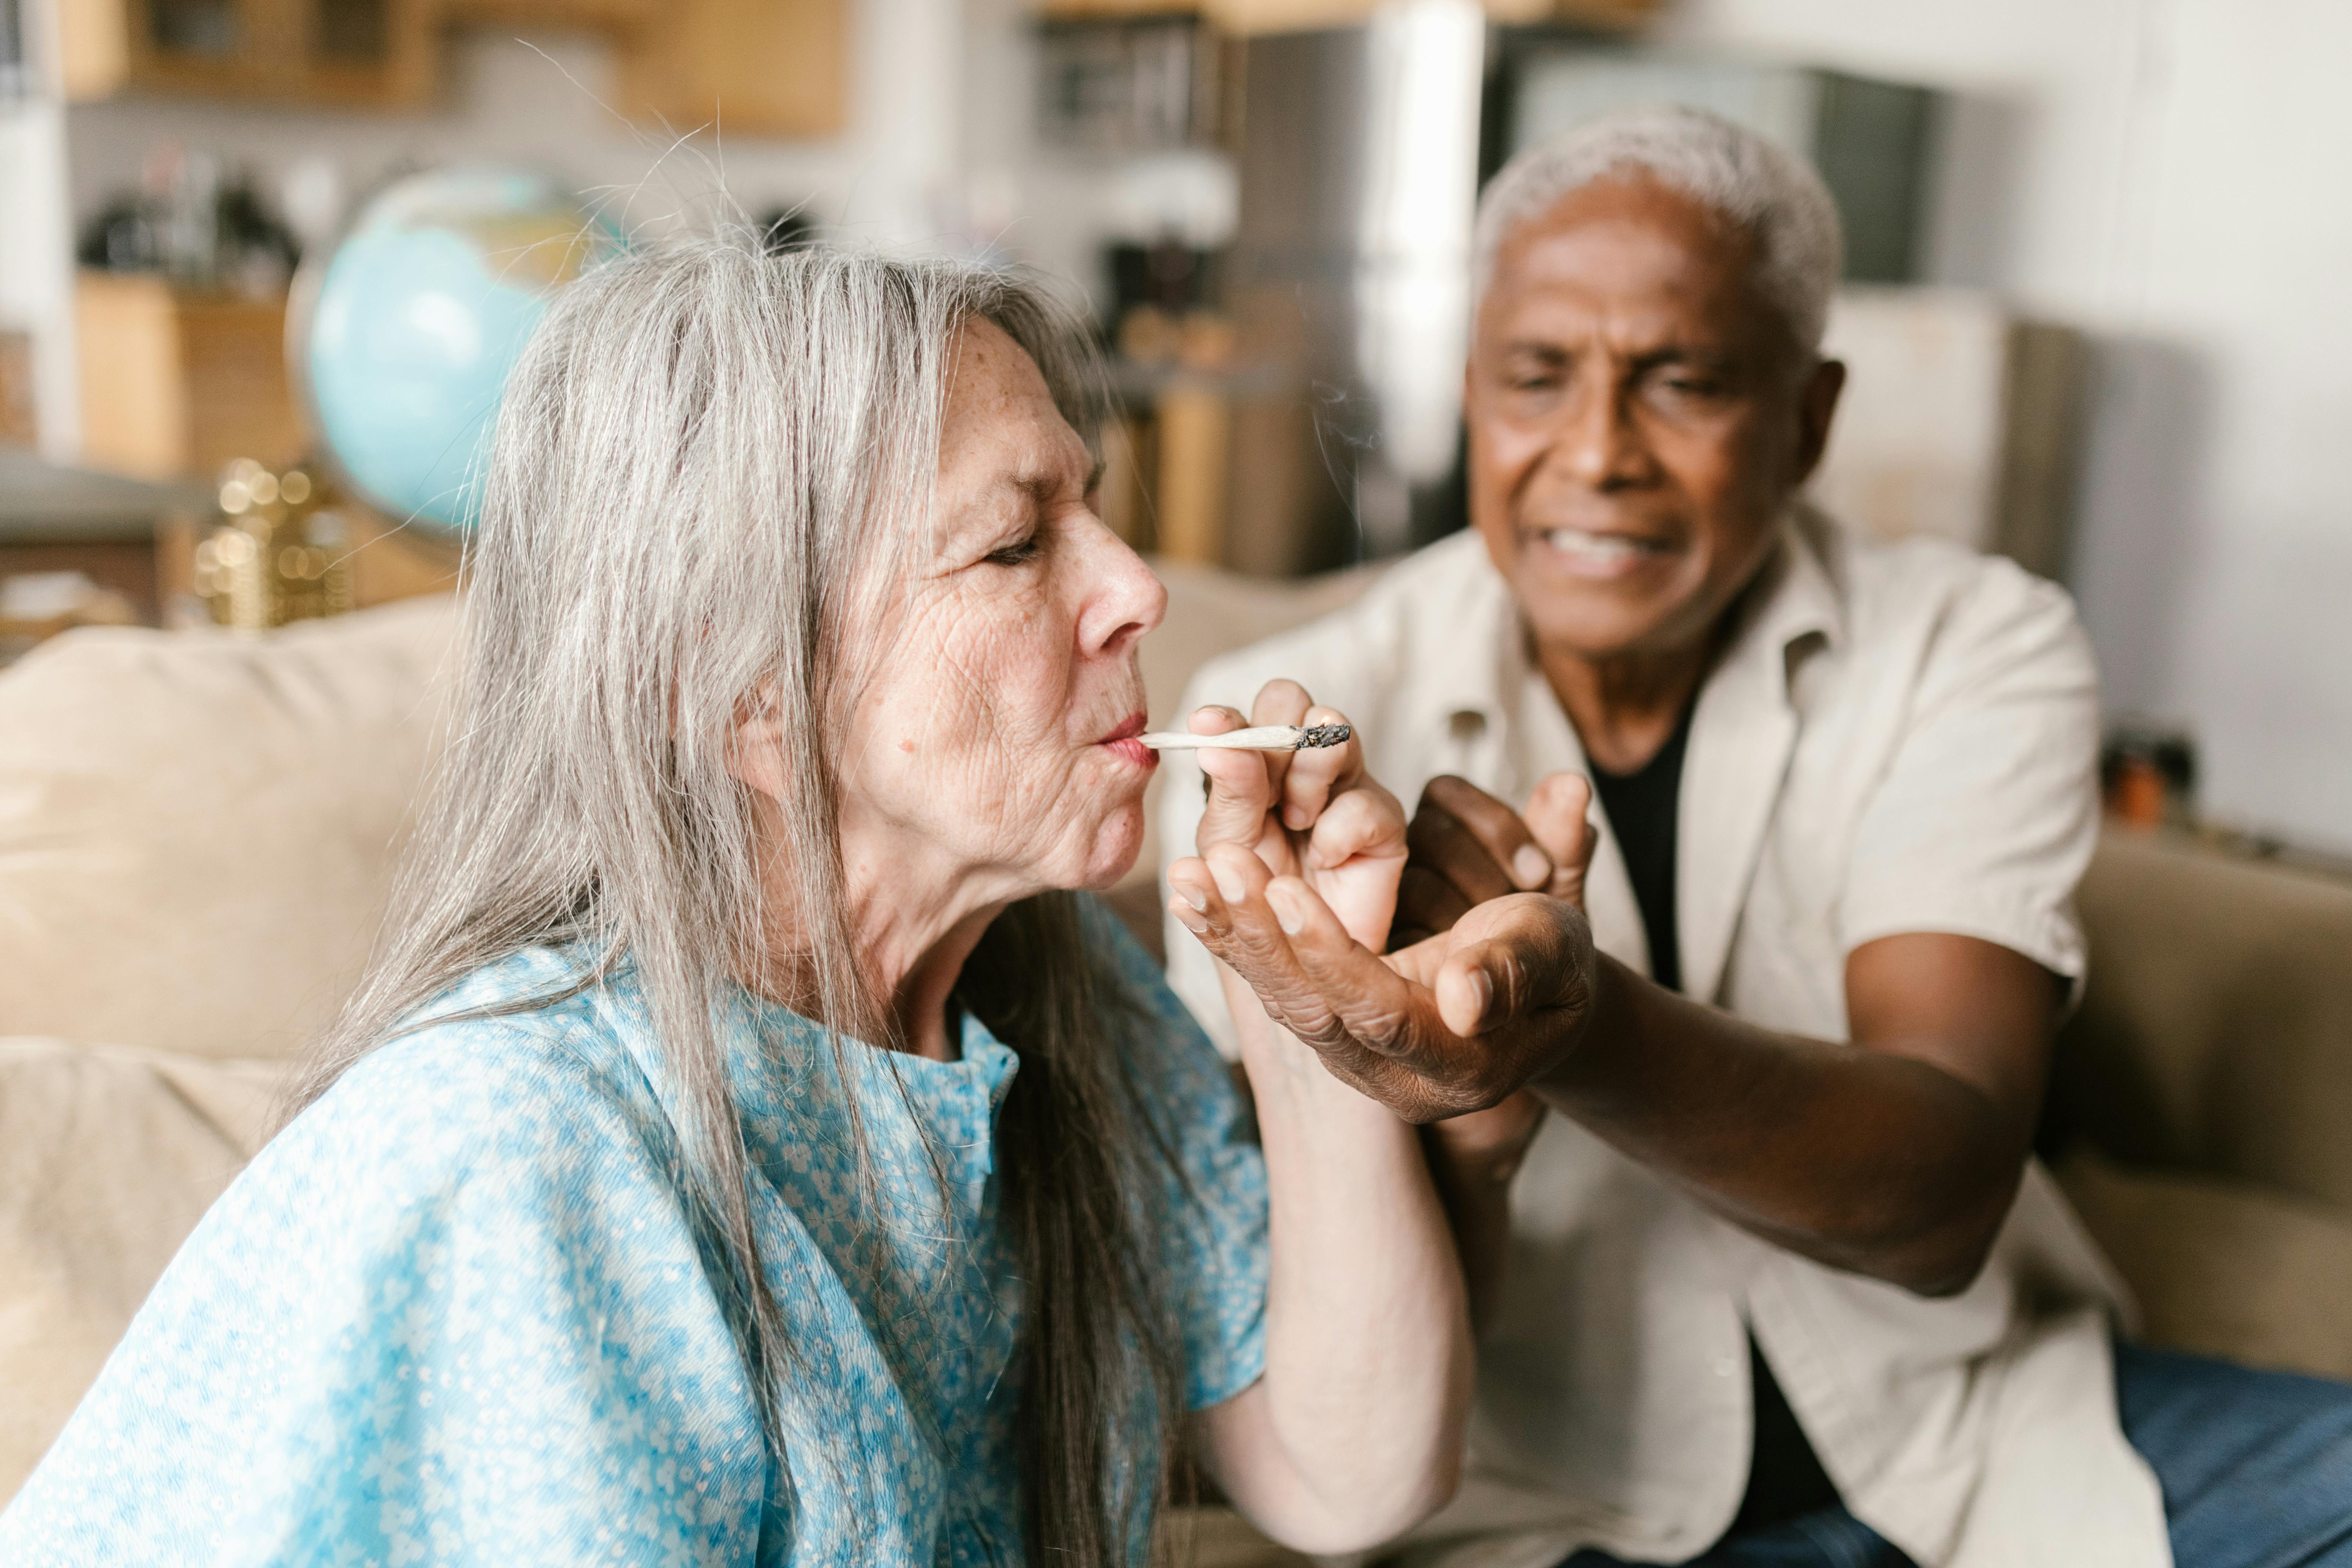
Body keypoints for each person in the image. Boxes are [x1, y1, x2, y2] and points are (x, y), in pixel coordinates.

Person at [0, 244, 1475, 1565]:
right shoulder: (535, 1152)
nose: (1136, 585)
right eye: (1016, 544)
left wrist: (1313, 1004)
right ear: (749, 695)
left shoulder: (1037, 969)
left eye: (1089, 510)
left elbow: (1346, 1474)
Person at [1161, 106, 2352, 1567]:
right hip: (1548, 1512)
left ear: (1808, 416)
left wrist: (1576, 1028)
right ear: (1473, 393)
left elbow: (1947, 1189)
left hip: (1973, 1442)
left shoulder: (1972, 644)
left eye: (1684, 383)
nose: (1596, 454)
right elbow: (1281, 1303)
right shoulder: (1281, 736)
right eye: (1537, 379)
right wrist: (1451, 1115)